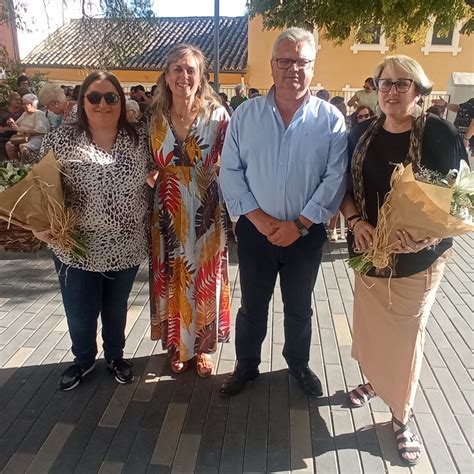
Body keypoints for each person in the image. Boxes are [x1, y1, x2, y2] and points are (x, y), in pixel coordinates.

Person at [339, 55, 466, 466]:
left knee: (407, 336)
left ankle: (401, 415)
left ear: (419, 90)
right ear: (375, 89)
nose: (391, 91)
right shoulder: (359, 133)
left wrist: (428, 233)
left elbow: (462, 201)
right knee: (373, 328)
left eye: (402, 83)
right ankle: (377, 382)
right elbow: (344, 188)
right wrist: (355, 220)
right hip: (367, 252)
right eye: (385, 83)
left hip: (419, 259)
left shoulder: (440, 134)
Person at [219, 27, 347, 397]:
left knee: (299, 307)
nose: (293, 68)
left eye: (302, 61)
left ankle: (298, 363)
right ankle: (246, 365)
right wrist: (259, 220)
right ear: (272, 67)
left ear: (313, 66)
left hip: (305, 236)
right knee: (252, 307)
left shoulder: (330, 120)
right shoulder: (246, 116)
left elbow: (334, 178)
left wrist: (301, 224)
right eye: (285, 60)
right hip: (256, 234)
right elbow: (230, 171)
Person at [32, 71, 151, 391]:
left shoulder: (140, 138)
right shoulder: (61, 139)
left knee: (115, 309)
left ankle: (115, 356)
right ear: (82, 101)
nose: (103, 104)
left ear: (121, 101)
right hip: (76, 246)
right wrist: (41, 227)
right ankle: (83, 359)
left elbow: (161, 173)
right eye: (94, 97)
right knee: (81, 312)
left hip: (125, 245)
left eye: (111, 97)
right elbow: (40, 188)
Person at [147, 43, 231, 378]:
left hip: (206, 212)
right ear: (166, 77)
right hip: (166, 212)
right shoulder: (154, 119)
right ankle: (176, 345)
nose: (184, 76)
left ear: (201, 77)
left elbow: (235, 163)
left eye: (190, 70)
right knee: (172, 277)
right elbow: (144, 162)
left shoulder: (218, 116)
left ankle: (202, 348)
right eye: (177, 69)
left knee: (205, 278)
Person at [5, 93, 50, 161]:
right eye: (23, 104)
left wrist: (21, 130)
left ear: (33, 104)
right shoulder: (25, 113)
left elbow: (40, 131)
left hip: (36, 138)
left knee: (24, 147)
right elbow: (16, 124)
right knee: (9, 145)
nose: (24, 106)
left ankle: (25, 166)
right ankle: (15, 166)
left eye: (26, 104)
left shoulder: (39, 114)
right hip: (23, 137)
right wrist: (11, 122)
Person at [0, 91, 23, 157]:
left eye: (19, 100)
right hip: (4, 137)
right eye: (16, 99)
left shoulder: (23, 111)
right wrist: (11, 128)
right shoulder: (2, 112)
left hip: (18, 136)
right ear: (10, 101)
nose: (18, 101)